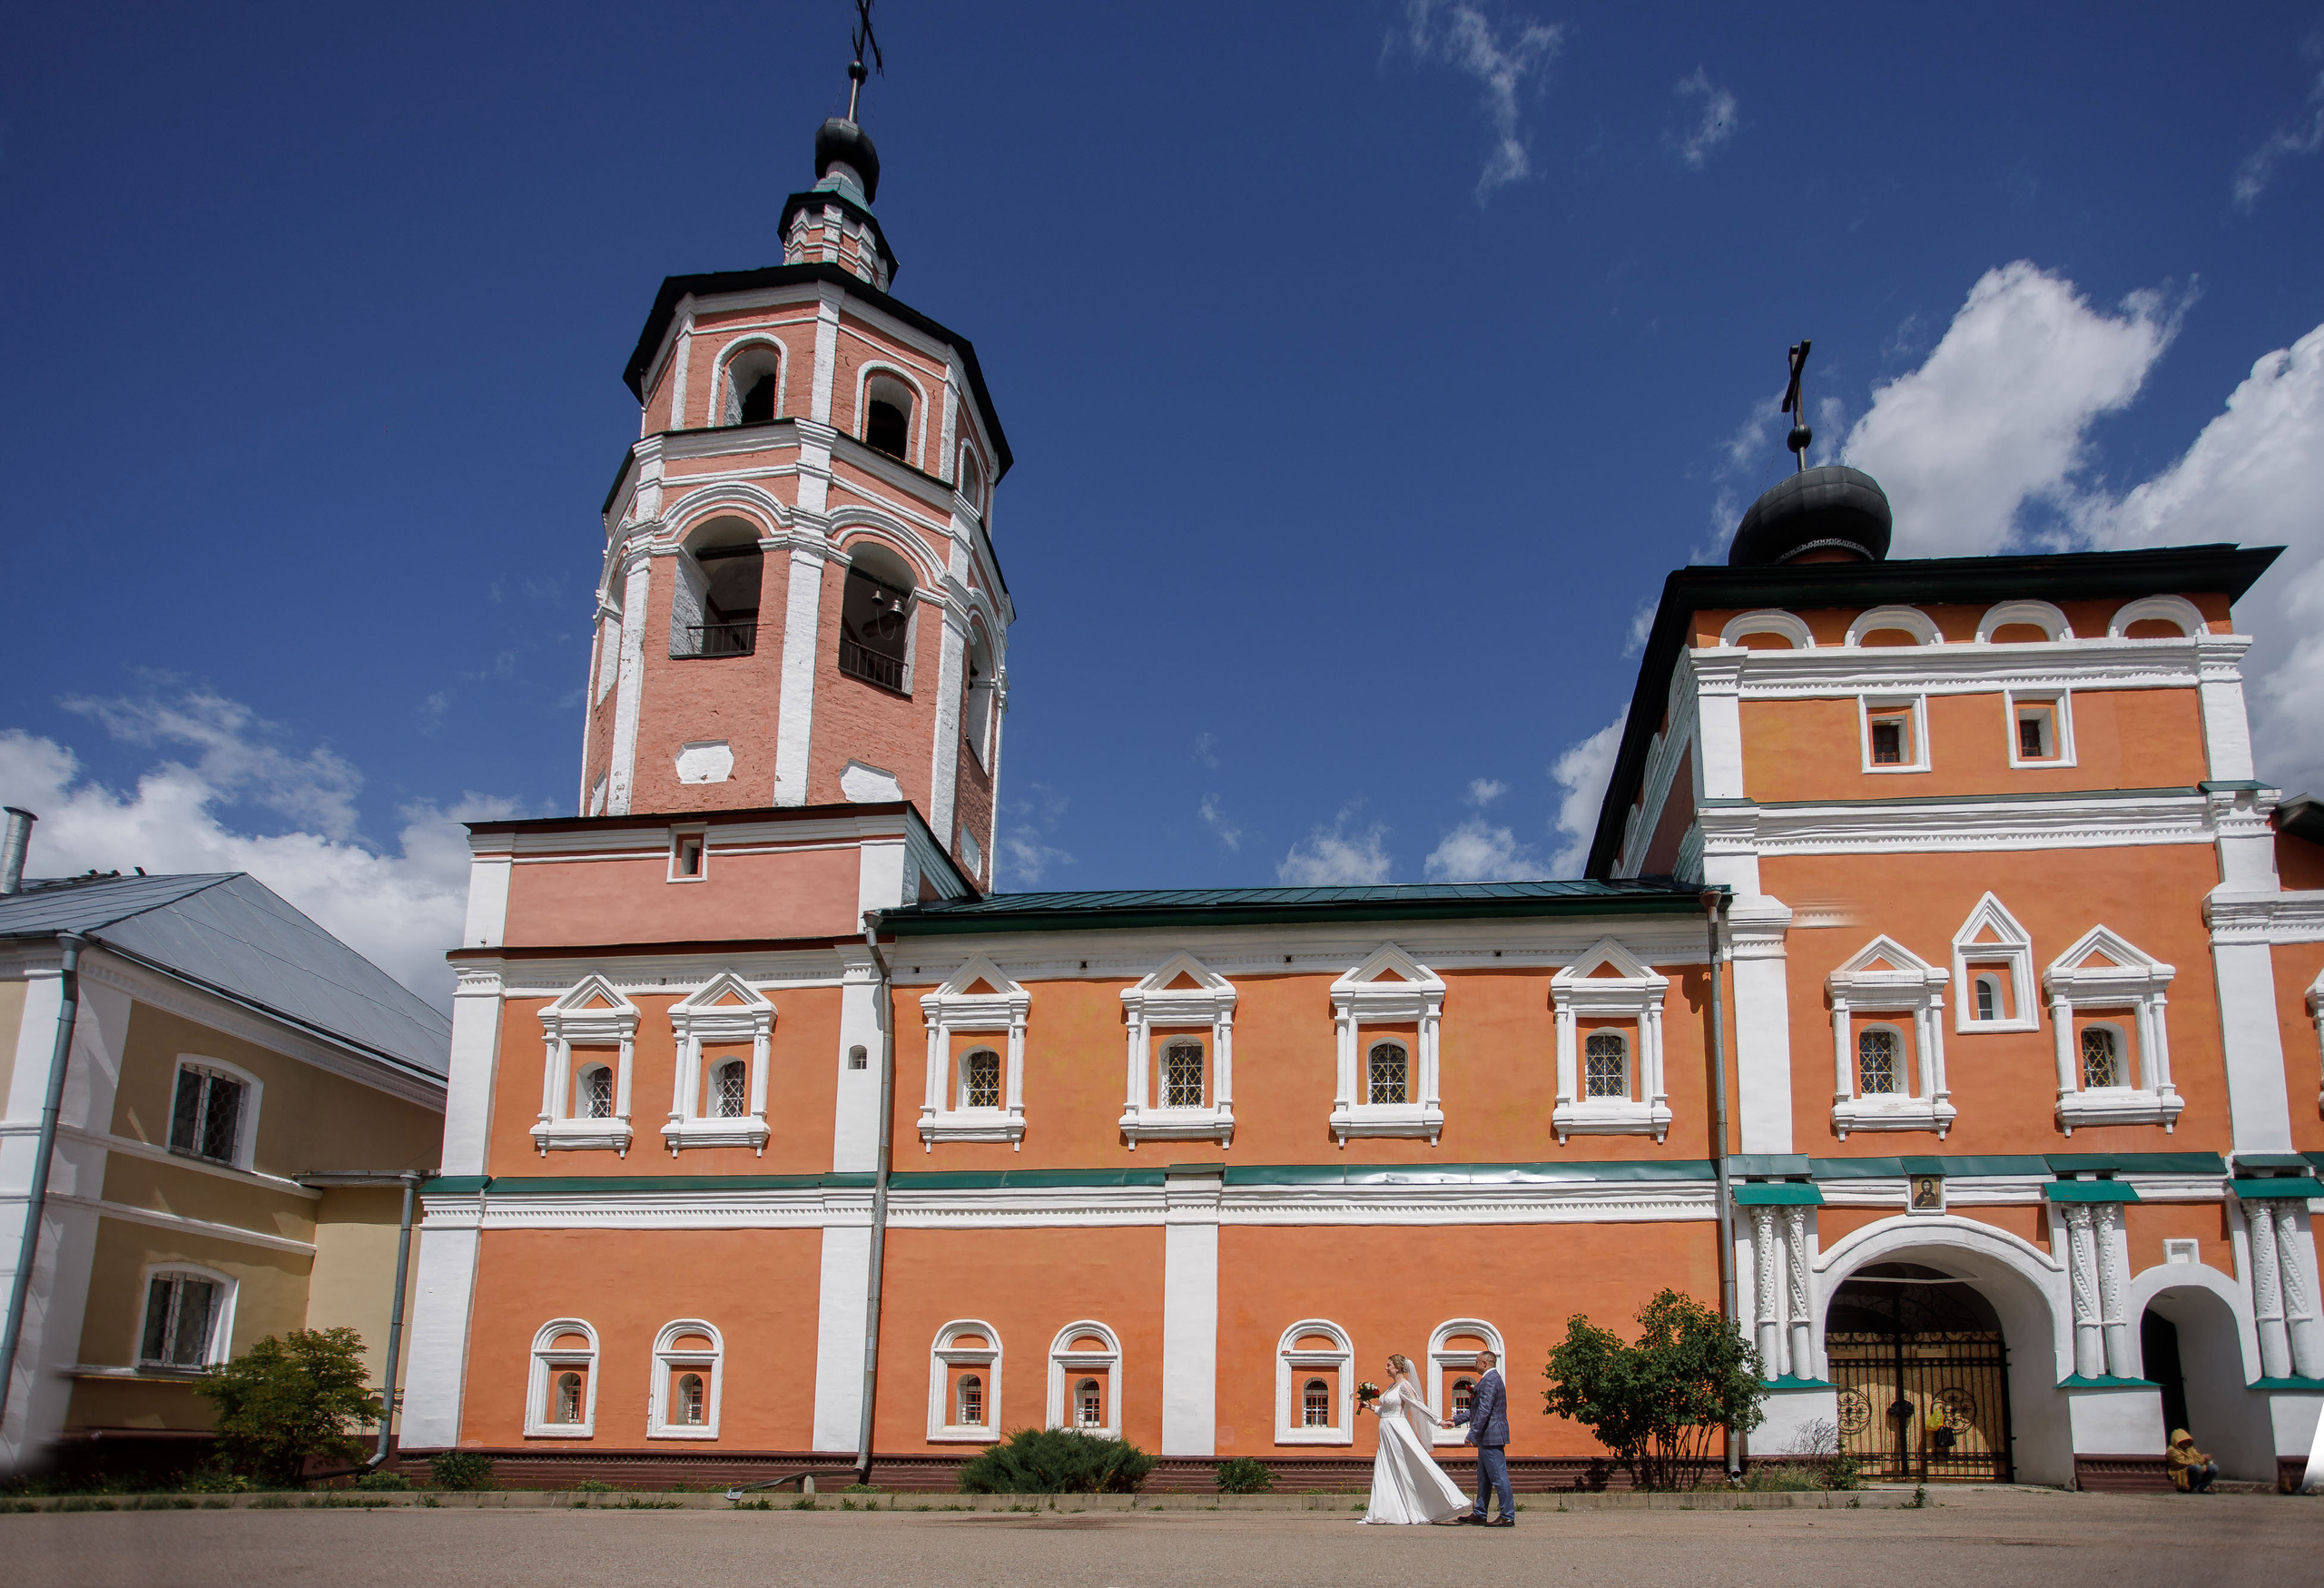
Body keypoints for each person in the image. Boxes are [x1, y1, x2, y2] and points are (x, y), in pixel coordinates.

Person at [1357, 1354, 1471, 1524]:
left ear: (1398, 1367)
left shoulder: (1404, 1386)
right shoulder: (1391, 1386)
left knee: (1413, 1464)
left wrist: (1438, 1421)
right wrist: (1370, 1406)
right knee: (1387, 1468)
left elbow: (1418, 1405)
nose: (1386, 1368)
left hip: (1398, 1431)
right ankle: (1384, 1512)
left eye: (1389, 1365)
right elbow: (1385, 1412)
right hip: (1387, 1432)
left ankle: (1447, 1500)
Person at [1447, 1349, 1514, 1526]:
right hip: (1488, 1436)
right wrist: (1456, 1420)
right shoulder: (1488, 1380)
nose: (1474, 1365)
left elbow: (1485, 1410)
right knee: (1483, 1478)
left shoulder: (1491, 1380)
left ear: (1485, 1363)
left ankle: (1507, 1515)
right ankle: (1480, 1512)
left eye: (1477, 1362)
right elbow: (1478, 1409)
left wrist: (1472, 1433)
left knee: (1498, 1477)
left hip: (1492, 1436)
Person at [2166, 1428, 2218, 1493]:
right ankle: (2193, 1488)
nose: (2186, 1443)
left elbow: (2198, 1458)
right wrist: (2201, 1459)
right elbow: (2184, 1462)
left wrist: (2204, 1458)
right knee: (2197, 1468)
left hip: (2193, 1468)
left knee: (2214, 1468)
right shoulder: (2172, 1451)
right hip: (2181, 1472)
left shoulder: (2190, 1449)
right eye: (2184, 1441)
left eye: (2187, 1441)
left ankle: (2202, 1487)